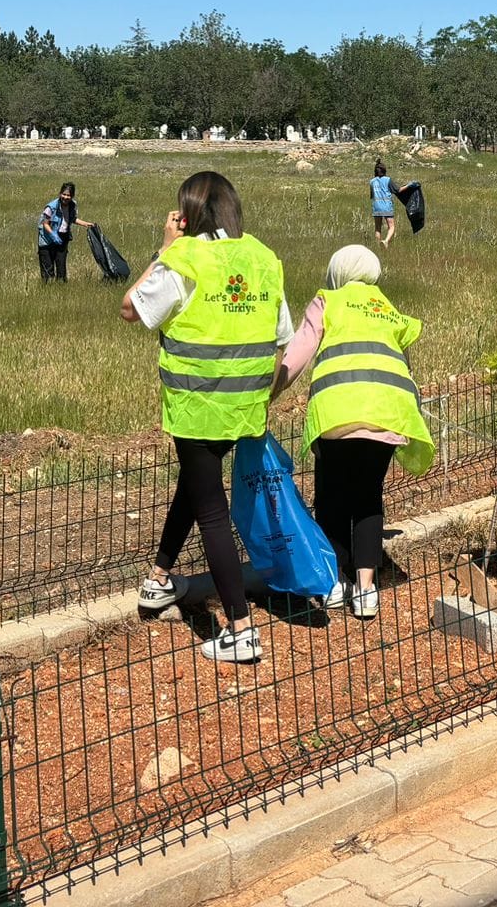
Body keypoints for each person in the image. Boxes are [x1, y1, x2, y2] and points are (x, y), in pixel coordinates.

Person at [124, 171, 292, 666]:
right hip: (244, 407)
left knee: (212, 511)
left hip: (196, 407)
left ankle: (240, 629)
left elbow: (130, 308)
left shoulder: (185, 259)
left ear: (188, 212)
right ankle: (159, 578)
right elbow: (283, 335)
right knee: (196, 488)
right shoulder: (262, 257)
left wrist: (164, 248)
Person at [273, 243, 434, 620]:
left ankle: (333, 582)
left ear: (338, 272)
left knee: (331, 496)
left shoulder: (327, 301)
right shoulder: (386, 307)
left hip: (337, 413)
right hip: (387, 414)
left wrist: (267, 395)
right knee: (367, 497)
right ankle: (366, 590)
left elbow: (298, 354)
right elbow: (403, 364)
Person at [37, 182, 94, 282]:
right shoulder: (51, 207)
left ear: (72, 196)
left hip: (62, 238)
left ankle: (61, 286)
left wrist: (86, 224)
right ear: (60, 194)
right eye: (64, 194)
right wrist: (53, 235)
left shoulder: (72, 205)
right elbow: (45, 223)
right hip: (47, 239)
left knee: (61, 268)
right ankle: (47, 287)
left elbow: (73, 219)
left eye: (68, 195)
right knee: (47, 270)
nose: (66, 197)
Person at [369, 160, 397, 247]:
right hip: (386, 206)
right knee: (391, 226)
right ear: (384, 170)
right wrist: (409, 186)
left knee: (377, 228)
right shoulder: (388, 180)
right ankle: (386, 241)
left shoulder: (372, 181)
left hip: (376, 206)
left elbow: (372, 195)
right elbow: (397, 190)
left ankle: (378, 246)